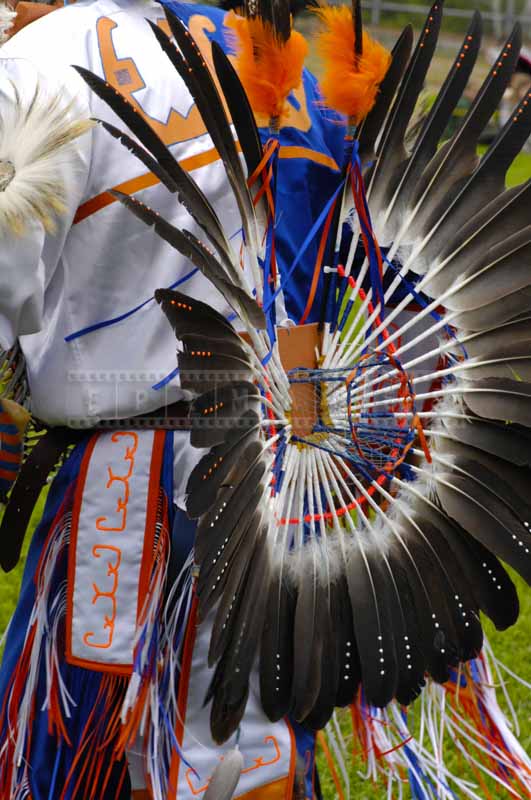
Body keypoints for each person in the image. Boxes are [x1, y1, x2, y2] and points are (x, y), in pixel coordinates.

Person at [0, 2, 344, 798]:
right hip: (274, 466)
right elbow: (311, 271)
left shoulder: (44, 59)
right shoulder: (259, 49)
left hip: (134, 484)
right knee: (244, 735)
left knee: (99, 746)